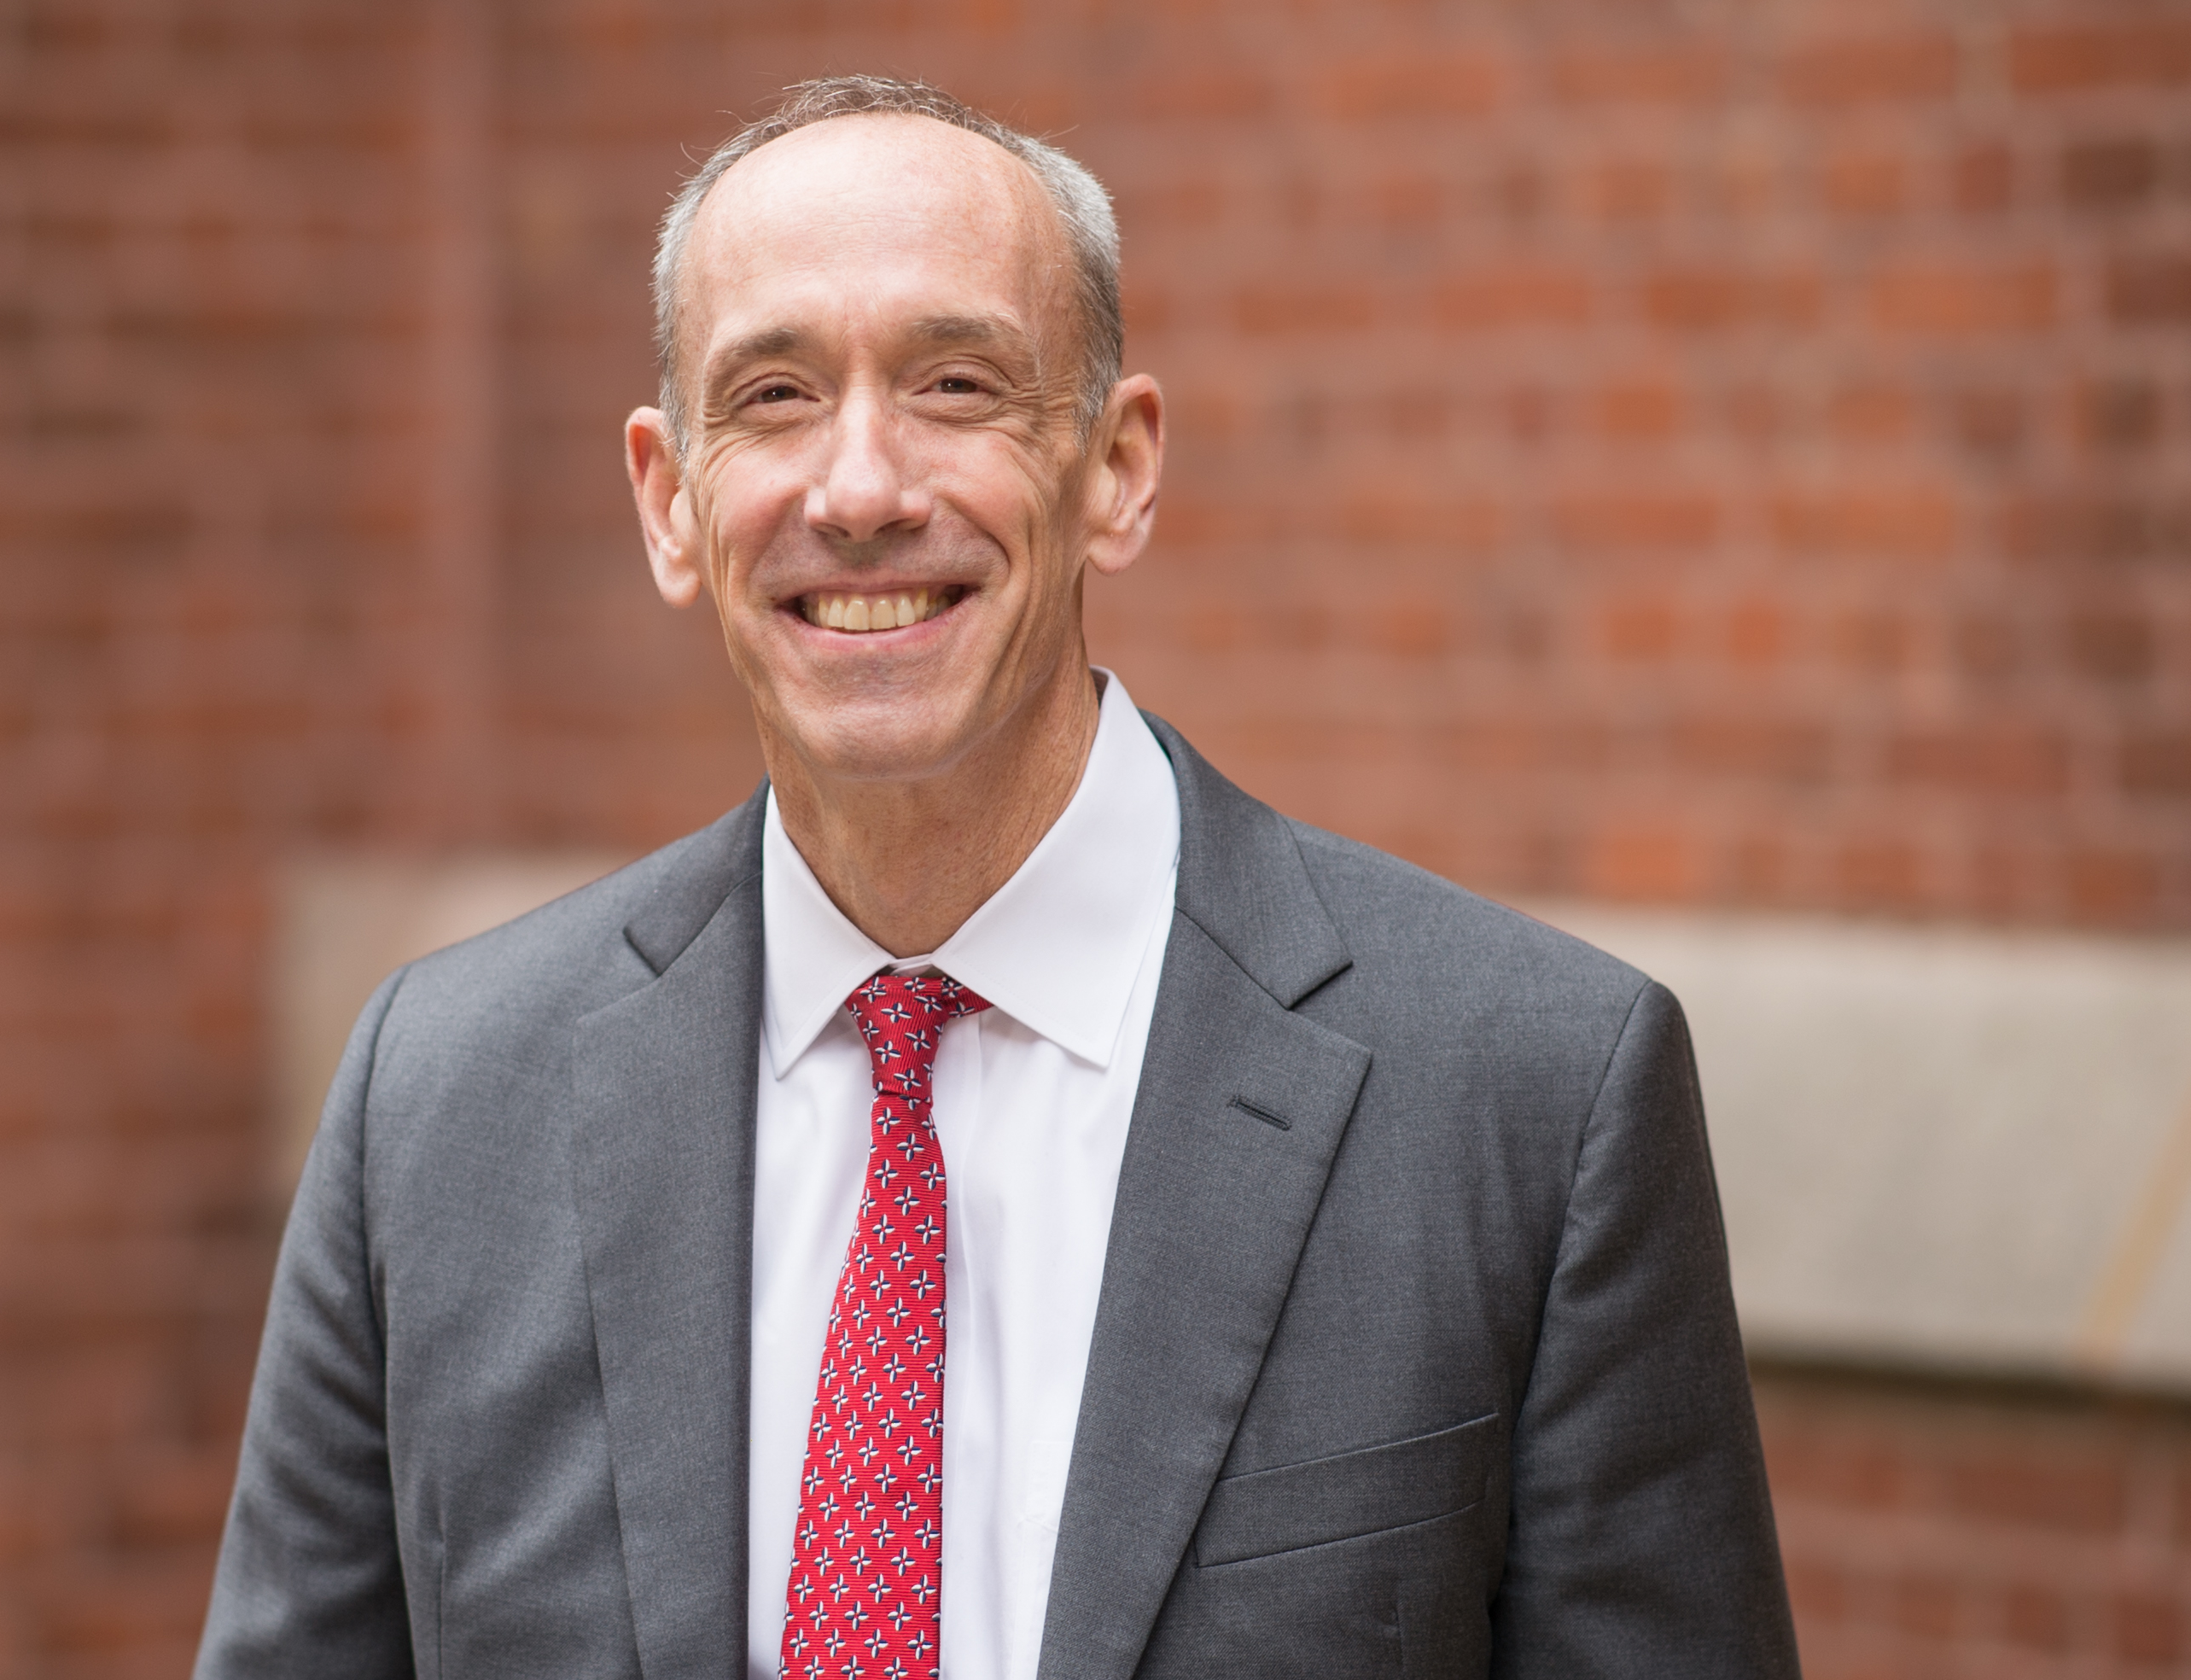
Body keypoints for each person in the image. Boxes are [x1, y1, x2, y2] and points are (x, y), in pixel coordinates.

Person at [195, 76, 1798, 1679]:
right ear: (669, 502)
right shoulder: (441, 1105)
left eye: (958, 384)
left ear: (1116, 468)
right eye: (771, 397)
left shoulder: (1532, 1099)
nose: (862, 488)